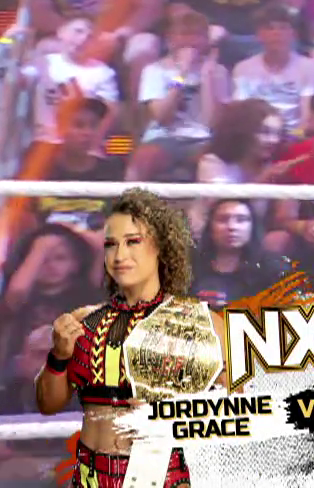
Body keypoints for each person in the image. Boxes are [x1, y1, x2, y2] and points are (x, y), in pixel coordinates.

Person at [35, 189, 226, 488]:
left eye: (133, 242)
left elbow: (242, 410)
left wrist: (174, 406)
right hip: (91, 478)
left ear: (160, 246)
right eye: (111, 244)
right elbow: (48, 404)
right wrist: (58, 358)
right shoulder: (85, 321)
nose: (120, 255)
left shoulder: (201, 324)